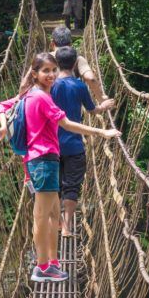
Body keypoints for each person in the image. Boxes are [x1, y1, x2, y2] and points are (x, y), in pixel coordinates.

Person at [0, 52, 120, 283]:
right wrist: (102, 132)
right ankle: (42, 268)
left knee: (52, 214)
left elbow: (2, 105)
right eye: (45, 71)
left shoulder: (29, 94)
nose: (51, 75)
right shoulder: (41, 97)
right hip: (43, 161)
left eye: (53, 70)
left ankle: (52, 262)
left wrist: (3, 127)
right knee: (42, 216)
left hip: (42, 161)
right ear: (35, 74)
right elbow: (67, 124)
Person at [52, 45, 108, 236]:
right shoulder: (80, 85)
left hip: (52, 145)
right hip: (75, 144)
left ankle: (56, 223)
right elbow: (92, 110)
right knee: (72, 186)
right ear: (75, 63)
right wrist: (105, 104)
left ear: (56, 63)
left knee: (55, 185)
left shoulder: (50, 86)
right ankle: (67, 226)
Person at [49, 25, 114, 110]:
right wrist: (101, 99)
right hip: (70, 110)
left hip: (48, 110)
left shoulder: (44, 59)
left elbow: (29, 79)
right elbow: (91, 78)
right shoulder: (77, 59)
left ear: (52, 43)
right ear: (71, 43)